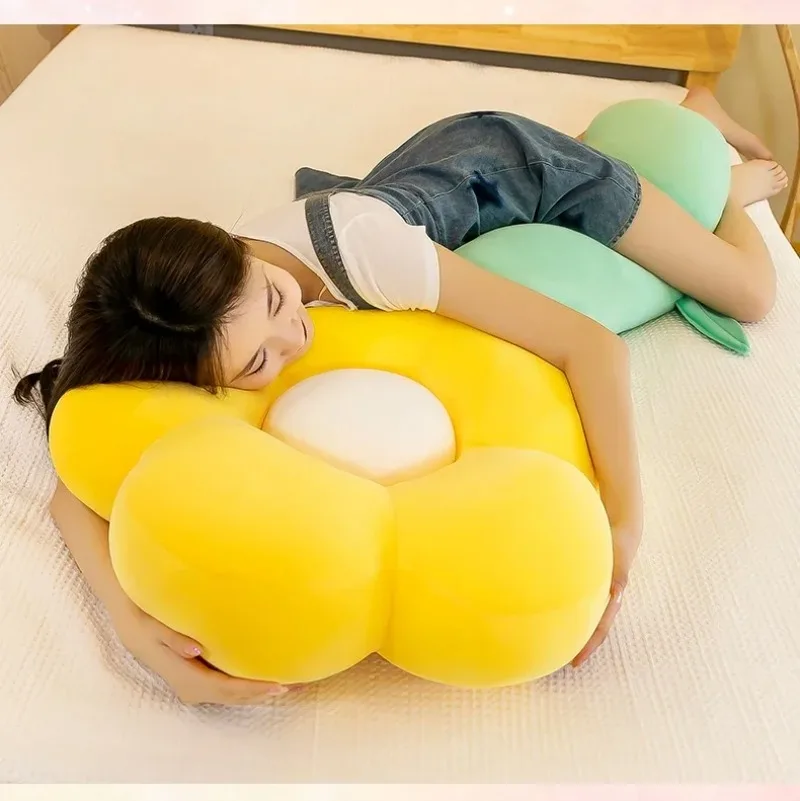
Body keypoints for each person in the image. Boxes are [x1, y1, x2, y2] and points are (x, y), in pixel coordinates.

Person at [14, 87, 788, 706]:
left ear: (237, 251)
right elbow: (76, 470)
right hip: (426, 176)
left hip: (518, 169)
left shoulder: (365, 255)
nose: (293, 340)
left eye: (276, 300)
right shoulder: (181, 311)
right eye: (257, 362)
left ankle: (719, 166)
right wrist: (134, 628)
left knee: (749, 291)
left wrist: (623, 524)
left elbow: (591, 346)